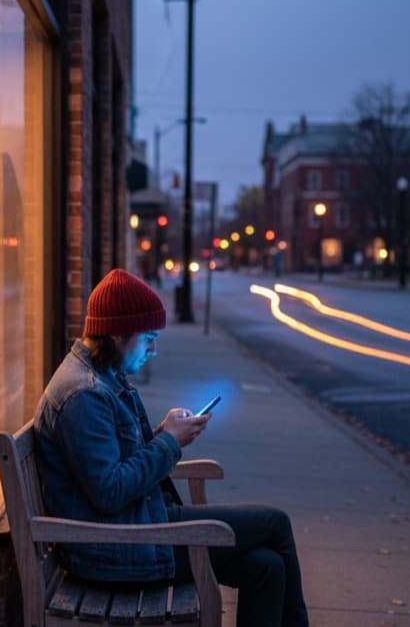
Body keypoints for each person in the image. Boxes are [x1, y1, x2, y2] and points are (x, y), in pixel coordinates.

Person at [34, 268, 309, 626]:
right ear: (118, 334)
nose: (153, 350)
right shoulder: (84, 394)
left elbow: (112, 465)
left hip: (135, 527)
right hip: (115, 547)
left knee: (267, 567)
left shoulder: (101, 377)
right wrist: (169, 442)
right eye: (148, 339)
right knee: (275, 523)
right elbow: (109, 491)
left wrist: (160, 433)